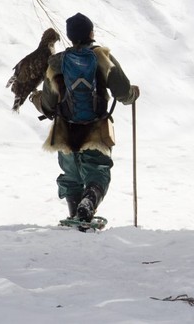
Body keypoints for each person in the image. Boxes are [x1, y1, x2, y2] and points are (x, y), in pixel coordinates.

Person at [30, 13, 139, 222]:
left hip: (64, 131)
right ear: (91, 33)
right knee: (97, 172)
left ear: (71, 37)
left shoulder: (57, 63)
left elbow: (48, 105)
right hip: (95, 129)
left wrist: (35, 99)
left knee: (71, 175)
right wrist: (133, 95)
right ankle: (88, 202)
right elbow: (123, 92)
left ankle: (74, 212)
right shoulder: (101, 57)